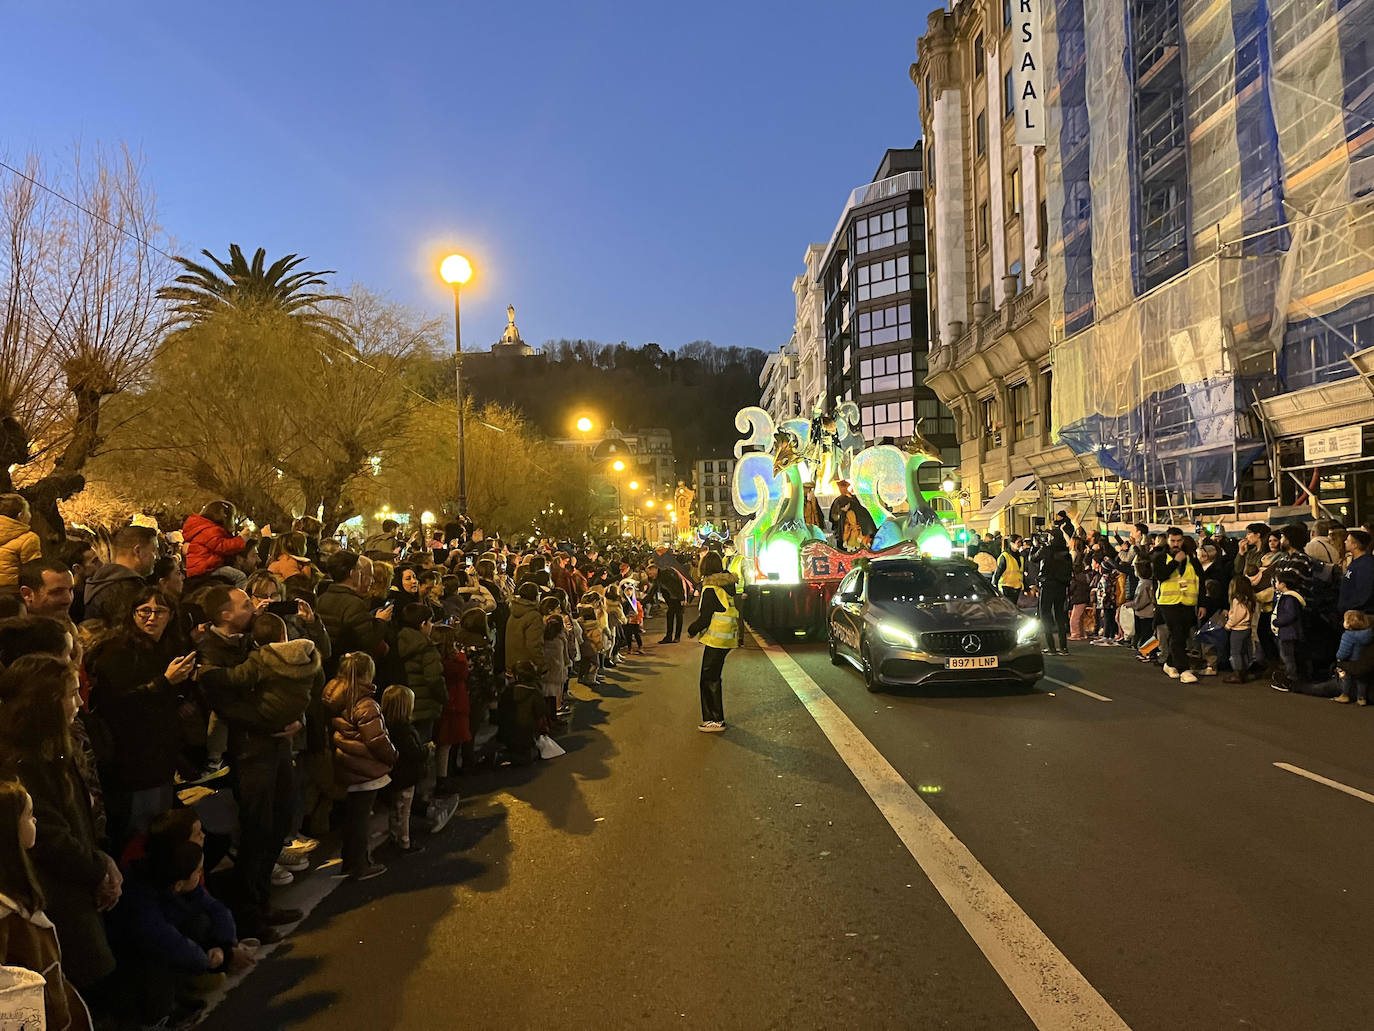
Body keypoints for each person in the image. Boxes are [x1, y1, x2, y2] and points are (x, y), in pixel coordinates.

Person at [0, 655, 119, 995]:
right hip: (57, 893)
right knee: (77, 985)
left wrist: (102, 861)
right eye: (72, 694)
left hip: (77, 880)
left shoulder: (52, 748)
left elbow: (77, 819)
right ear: (45, 702)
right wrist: (97, 870)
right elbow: (50, 838)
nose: (80, 703)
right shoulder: (22, 761)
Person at [85, 587, 195, 849]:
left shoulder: (172, 646)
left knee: (159, 824)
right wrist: (164, 683)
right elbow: (116, 705)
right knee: (137, 830)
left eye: (159, 611)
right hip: (132, 758)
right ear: (133, 614)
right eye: (144, 610)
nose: (151, 617)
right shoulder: (117, 651)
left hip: (162, 752)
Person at [0, 777, 92, 1031]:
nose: (36, 820)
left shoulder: (22, 884)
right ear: (9, 830)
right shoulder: (5, 916)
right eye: (29, 816)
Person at [323, 653, 396, 880]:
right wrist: (393, 755)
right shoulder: (365, 703)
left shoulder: (335, 698)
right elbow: (377, 740)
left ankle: (349, 861)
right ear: (367, 674)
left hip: (347, 764)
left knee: (352, 816)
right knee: (362, 818)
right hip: (365, 768)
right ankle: (360, 864)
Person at [686, 551, 739, 732]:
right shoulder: (727, 585)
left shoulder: (710, 589)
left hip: (717, 638)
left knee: (708, 679)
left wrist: (691, 630)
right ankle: (715, 718)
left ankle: (714, 719)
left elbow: (705, 618)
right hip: (727, 637)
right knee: (713, 677)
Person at [315, 551, 391, 678]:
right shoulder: (354, 603)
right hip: (346, 669)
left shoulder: (322, 598)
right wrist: (381, 621)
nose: (371, 581)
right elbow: (368, 640)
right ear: (352, 573)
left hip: (327, 667)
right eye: (360, 571)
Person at [377, 685, 427, 859]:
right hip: (406, 777)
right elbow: (414, 752)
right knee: (404, 811)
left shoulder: (385, 728)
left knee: (394, 809)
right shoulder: (404, 730)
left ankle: (393, 837)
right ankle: (404, 842)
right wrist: (427, 750)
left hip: (392, 776)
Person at [84, 524, 159, 627]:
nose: (157, 557)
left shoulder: (101, 583)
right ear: (138, 551)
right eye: (153, 551)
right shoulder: (129, 590)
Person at [182, 500, 249, 587]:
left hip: (200, 568)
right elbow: (223, 546)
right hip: (205, 569)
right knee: (240, 577)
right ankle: (240, 599)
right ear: (224, 515)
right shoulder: (210, 529)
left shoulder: (203, 526)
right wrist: (242, 539)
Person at [1270, 570, 1306, 689]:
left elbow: (1290, 614)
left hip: (1288, 633)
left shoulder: (1289, 598)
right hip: (1287, 632)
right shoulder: (1289, 597)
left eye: (1277, 582)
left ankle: (1291, 679)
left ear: (1283, 584)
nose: (1275, 584)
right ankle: (1291, 677)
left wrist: (1277, 622)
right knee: (1287, 655)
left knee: (1287, 656)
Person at [0, 493, 43, 589]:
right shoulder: (29, 538)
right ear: (21, 515)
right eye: (28, 511)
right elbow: (33, 571)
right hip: (13, 592)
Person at [1222, 576, 1258, 684]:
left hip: (1238, 629)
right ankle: (1244, 671)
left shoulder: (1237, 600)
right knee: (1244, 651)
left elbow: (1238, 615)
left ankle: (1237, 673)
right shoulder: (1249, 599)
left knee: (1235, 652)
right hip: (1247, 628)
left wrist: (1228, 625)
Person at [17, 558, 77, 622]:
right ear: (27, 594)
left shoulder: (72, 628)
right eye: (57, 592)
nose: (68, 600)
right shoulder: (12, 630)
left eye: (70, 590)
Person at [1333, 610, 1373, 704]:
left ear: (1349, 623)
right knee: (1362, 680)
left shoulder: (1348, 635)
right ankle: (1361, 698)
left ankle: (1345, 695)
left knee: (1346, 678)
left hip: (1350, 661)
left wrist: (1339, 657)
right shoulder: (1368, 634)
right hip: (1361, 661)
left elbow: (1344, 651)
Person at [1338, 529, 1374, 614]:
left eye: (1348, 540)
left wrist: (1352, 608)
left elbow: (1365, 592)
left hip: (1358, 615)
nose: (1345, 542)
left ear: (1355, 545)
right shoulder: (1355, 561)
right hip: (1349, 612)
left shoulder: (1365, 565)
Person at [993, 537, 1024, 604]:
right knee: (1008, 608)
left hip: (1017, 586)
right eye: (1018, 542)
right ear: (1012, 543)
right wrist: (994, 585)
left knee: (1013, 608)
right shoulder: (1005, 556)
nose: (1020, 544)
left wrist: (1026, 587)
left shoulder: (1020, 557)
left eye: (1021, 542)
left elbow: (1021, 573)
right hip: (1006, 586)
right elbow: (998, 571)